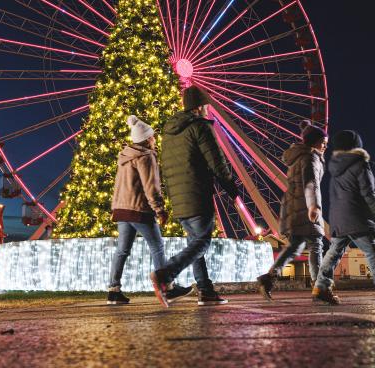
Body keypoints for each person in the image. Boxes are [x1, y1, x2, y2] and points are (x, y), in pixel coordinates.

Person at [150, 86, 239, 307]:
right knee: (202, 241)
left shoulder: (169, 133)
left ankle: (205, 290)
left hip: (179, 197)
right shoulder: (200, 127)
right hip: (196, 192)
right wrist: (231, 188)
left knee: (195, 242)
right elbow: (217, 161)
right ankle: (166, 274)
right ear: (200, 107)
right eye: (206, 106)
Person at [312, 130, 375, 304]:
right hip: (356, 216)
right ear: (356, 146)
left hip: (337, 217)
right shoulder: (359, 164)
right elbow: (368, 192)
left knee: (334, 252)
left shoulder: (334, 169)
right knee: (372, 250)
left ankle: (320, 285)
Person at [108, 115, 193, 305]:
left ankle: (113, 291)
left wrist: (116, 207)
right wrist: (160, 209)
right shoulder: (146, 157)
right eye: (152, 137)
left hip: (122, 209)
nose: (155, 139)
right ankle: (167, 287)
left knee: (122, 250)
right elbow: (151, 186)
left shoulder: (124, 156)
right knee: (157, 247)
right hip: (139, 209)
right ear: (146, 139)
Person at [257, 120, 328, 301]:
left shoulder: (296, 158)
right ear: (313, 142)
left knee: (294, 247)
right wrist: (314, 205)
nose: (325, 146)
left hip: (291, 208)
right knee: (316, 245)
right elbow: (311, 183)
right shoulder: (311, 157)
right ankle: (320, 287)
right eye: (323, 142)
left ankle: (269, 278)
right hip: (304, 207)